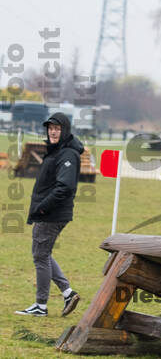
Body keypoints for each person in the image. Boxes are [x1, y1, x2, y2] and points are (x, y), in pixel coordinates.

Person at [15, 113, 82, 317]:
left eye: (57, 128)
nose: (53, 132)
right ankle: (68, 293)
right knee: (43, 253)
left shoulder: (67, 154)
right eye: (50, 128)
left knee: (40, 256)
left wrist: (43, 207)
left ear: (65, 131)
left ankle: (40, 306)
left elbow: (65, 187)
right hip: (49, 212)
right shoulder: (57, 150)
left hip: (52, 214)